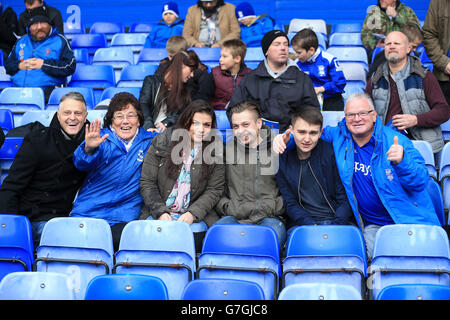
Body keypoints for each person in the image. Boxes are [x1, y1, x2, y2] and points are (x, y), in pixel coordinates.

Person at [274, 92, 441, 259]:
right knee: (372, 264)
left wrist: (403, 161)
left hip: (408, 220)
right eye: (351, 115)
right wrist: (282, 140)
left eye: (362, 113)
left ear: (374, 116)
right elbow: (308, 135)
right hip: (372, 226)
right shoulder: (339, 136)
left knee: (422, 265)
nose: (356, 119)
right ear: (345, 118)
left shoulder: (395, 141)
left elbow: (420, 182)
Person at [70, 92, 158, 251]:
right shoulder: (101, 138)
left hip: (124, 216)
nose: (125, 121)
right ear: (112, 120)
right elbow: (80, 163)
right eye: (119, 116)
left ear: (139, 120)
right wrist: (88, 149)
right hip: (89, 212)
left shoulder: (150, 141)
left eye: (131, 115)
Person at [0, 92, 88, 247]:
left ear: (85, 116)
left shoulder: (92, 142)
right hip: (32, 216)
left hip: (65, 216)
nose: (72, 117)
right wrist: (12, 226)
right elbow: (11, 187)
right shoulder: (37, 140)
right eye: (67, 113)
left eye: (78, 113)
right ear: (58, 115)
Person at [139, 99, 225, 252]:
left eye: (207, 125)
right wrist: (161, 212)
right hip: (159, 211)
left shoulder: (215, 149)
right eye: (195, 123)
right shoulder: (163, 140)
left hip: (194, 215)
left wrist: (193, 213)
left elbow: (215, 189)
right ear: (185, 122)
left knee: (193, 242)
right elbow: (147, 182)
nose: (201, 129)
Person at [214, 101, 286, 248]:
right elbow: (216, 189)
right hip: (234, 216)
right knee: (216, 239)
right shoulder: (225, 151)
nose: (241, 130)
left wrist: (275, 206)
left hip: (270, 217)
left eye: (246, 125)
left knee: (267, 243)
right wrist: (228, 207)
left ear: (258, 123)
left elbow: (290, 189)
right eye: (236, 126)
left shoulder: (277, 147)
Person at [366, 31, 449, 154]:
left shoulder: (424, 76)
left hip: (420, 146)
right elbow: (364, 112)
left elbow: (444, 111)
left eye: (397, 43)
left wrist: (416, 119)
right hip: (385, 145)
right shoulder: (375, 79)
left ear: (408, 48)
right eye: (388, 44)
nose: (392, 46)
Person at [275, 106, 353, 233]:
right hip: (301, 224)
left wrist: (335, 226)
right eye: (302, 132)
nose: (307, 139)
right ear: (291, 130)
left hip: (336, 221)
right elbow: (289, 202)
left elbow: (344, 197)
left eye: (313, 133)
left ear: (321, 133)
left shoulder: (330, 153)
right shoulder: (282, 160)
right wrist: (311, 227)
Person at [229, 29, 320, 132]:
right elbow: (234, 110)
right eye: (277, 44)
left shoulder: (302, 79)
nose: (283, 48)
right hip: (256, 139)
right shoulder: (250, 79)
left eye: (285, 44)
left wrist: (295, 133)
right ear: (266, 51)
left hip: (292, 140)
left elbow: (313, 113)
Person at [5, 6, 75, 103]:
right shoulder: (21, 42)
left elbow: (70, 66)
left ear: (49, 24)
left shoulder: (60, 40)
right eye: (34, 24)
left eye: (43, 22)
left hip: (49, 95)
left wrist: (43, 64)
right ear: (28, 27)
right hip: (18, 93)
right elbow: (8, 65)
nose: (39, 27)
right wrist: (19, 65)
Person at [139, 51, 197, 132]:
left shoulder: (186, 90)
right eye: (191, 70)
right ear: (181, 66)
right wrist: (149, 125)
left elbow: (184, 114)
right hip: (148, 130)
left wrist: (166, 123)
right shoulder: (151, 81)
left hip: (168, 132)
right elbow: (143, 105)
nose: (192, 75)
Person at [291, 28, 347, 111]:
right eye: (295, 52)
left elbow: (340, 83)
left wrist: (321, 89)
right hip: (308, 104)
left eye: (299, 52)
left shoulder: (329, 60)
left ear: (311, 50)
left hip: (331, 101)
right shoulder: (297, 64)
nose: (296, 55)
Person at [209, 38, 251, 110]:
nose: (220, 59)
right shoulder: (214, 73)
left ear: (237, 59)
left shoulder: (250, 75)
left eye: (224, 56)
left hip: (242, 115)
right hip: (219, 114)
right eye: (220, 56)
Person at [422, 0, 450, 106]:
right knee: (443, 119)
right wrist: (444, 63)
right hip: (444, 78)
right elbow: (428, 34)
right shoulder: (437, 2)